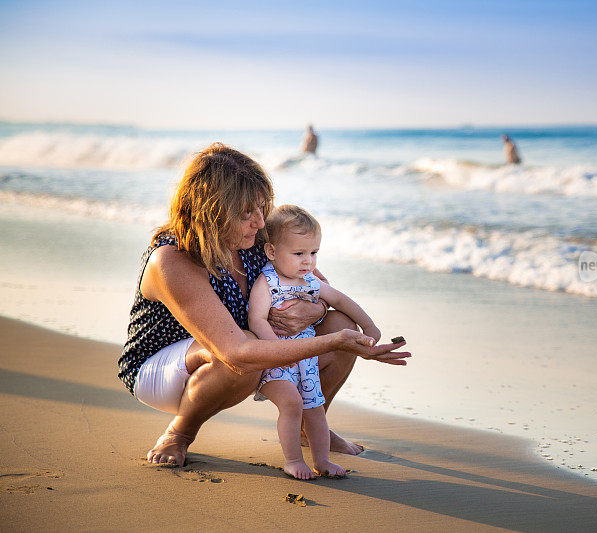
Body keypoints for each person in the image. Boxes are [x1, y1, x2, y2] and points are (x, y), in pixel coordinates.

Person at [118, 143, 409, 467]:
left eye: (262, 207)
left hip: (250, 343)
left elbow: (318, 287)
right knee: (242, 354)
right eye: (246, 213)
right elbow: (235, 353)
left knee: (340, 322)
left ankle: (311, 424)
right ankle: (180, 432)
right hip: (165, 370)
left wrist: (314, 313)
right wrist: (332, 341)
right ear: (213, 211)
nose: (259, 222)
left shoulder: (256, 238)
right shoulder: (172, 259)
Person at [248, 205, 381, 479]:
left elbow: (340, 300)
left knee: (315, 409)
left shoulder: (310, 280)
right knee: (292, 404)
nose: (308, 261)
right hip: (276, 359)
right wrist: (278, 349)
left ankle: (322, 460)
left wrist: (368, 326)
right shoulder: (267, 281)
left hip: (306, 360)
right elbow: (257, 320)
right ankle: (293, 460)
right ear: (272, 252)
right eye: (299, 254)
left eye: (313, 253)